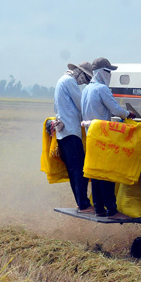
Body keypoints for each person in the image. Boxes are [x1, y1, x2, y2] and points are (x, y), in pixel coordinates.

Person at [81, 57, 135, 220]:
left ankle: (99, 209)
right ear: (101, 72)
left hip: (91, 135)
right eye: (108, 71)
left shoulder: (86, 90)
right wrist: (128, 114)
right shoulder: (101, 89)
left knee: (96, 174)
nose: (110, 75)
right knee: (108, 174)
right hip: (103, 137)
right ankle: (112, 210)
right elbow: (115, 109)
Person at [53, 61, 93, 214]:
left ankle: (81, 203)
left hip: (63, 131)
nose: (84, 82)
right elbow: (82, 104)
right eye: (85, 78)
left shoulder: (62, 80)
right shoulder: (70, 82)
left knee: (73, 169)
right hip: (70, 130)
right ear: (79, 72)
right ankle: (83, 204)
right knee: (79, 169)